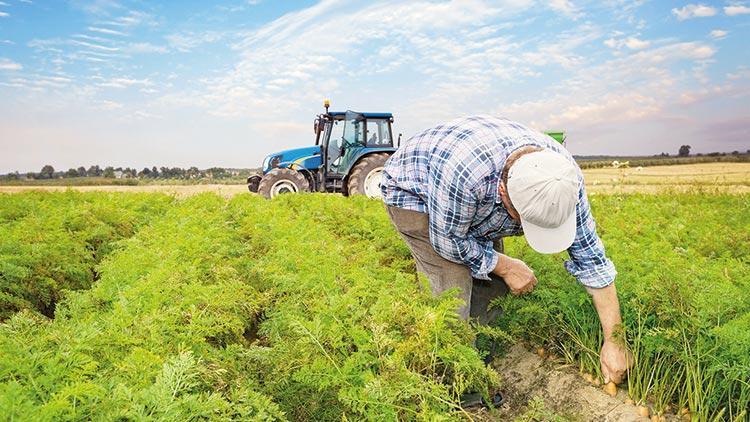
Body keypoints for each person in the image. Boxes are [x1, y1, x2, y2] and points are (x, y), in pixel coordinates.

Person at [380, 115, 632, 384]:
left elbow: (592, 260)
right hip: (415, 193)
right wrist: (507, 265)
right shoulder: (466, 176)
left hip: (472, 196)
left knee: (493, 286)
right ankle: (454, 382)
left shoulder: (563, 180)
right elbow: (448, 241)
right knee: (451, 292)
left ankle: (480, 359)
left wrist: (614, 339)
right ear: (503, 193)